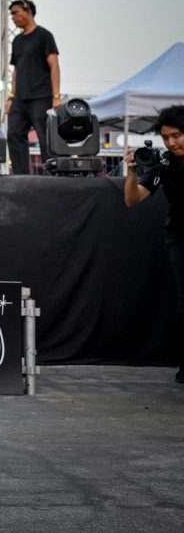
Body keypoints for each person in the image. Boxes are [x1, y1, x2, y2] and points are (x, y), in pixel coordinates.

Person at [124, 104, 184, 383]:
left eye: (177, 136)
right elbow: (132, 199)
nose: (171, 142)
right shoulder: (164, 164)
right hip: (180, 239)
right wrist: (132, 172)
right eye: (166, 137)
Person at [4, 0, 61, 174]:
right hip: (20, 99)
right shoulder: (17, 41)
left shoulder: (44, 35)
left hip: (40, 97)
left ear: (28, 11)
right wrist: (11, 97)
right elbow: (16, 70)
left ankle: (52, 176)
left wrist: (56, 96)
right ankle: (21, 177)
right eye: (11, 14)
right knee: (14, 134)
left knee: (45, 137)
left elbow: (54, 66)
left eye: (16, 13)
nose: (13, 18)